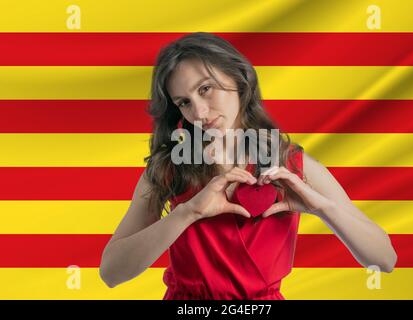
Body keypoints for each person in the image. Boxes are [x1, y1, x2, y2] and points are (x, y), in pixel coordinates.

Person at [99, 32, 397, 300]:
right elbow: (111, 273)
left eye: (205, 89)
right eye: (184, 102)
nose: (199, 112)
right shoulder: (169, 168)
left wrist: (323, 209)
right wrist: (187, 213)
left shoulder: (292, 164)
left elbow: (384, 260)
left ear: (239, 78)